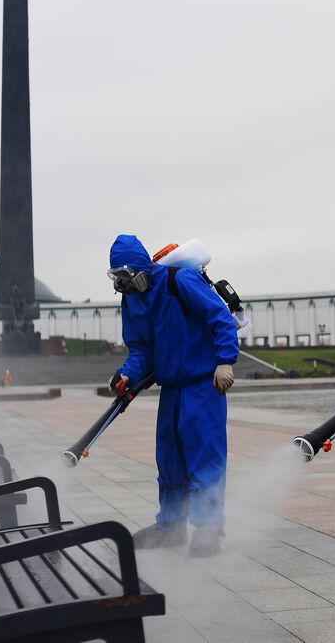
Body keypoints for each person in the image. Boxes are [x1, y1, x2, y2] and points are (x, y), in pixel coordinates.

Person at [108, 234, 238, 555]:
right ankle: (171, 528)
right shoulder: (132, 300)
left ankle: (208, 528)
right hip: (172, 389)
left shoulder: (179, 280)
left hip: (203, 385)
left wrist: (224, 361)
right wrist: (127, 374)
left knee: (205, 457)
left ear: (141, 268)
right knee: (170, 462)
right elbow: (140, 349)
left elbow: (219, 318)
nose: (123, 284)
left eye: (127, 275)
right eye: (117, 278)